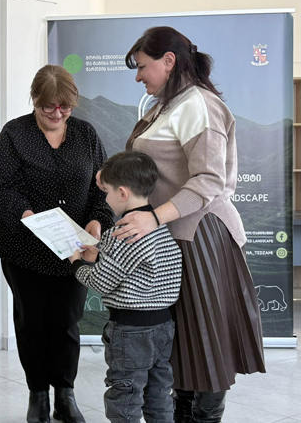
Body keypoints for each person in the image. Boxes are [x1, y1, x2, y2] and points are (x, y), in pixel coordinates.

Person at [111, 26, 266, 423]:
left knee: (207, 345)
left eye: (142, 66)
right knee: (179, 346)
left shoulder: (198, 104)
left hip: (199, 238)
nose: (138, 76)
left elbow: (209, 180)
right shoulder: (165, 105)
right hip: (172, 236)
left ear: (168, 61)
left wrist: (153, 217)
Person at [0, 64, 114, 423]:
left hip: (74, 250)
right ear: (34, 99)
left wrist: (96, 222)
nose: (57, 114)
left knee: (67, 322)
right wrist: (30, 218)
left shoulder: (86, 134)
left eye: (65, 107)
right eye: (48, 106)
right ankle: (38, 395)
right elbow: (2, 188)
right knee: (32, 322)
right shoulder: (14, 134)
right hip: (24, 247)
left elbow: (102, 188)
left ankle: (65, 394)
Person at [68, 151, 182, 423]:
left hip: (131, 330)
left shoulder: (121, 233)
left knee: (125, 397)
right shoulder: (160, 228)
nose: (105, 199)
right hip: (164, 326)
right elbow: (135, 267)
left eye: (106, 192)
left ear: (122, 193)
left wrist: (76, 263)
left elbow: (100, 282)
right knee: (159, 395)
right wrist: (100, 257)